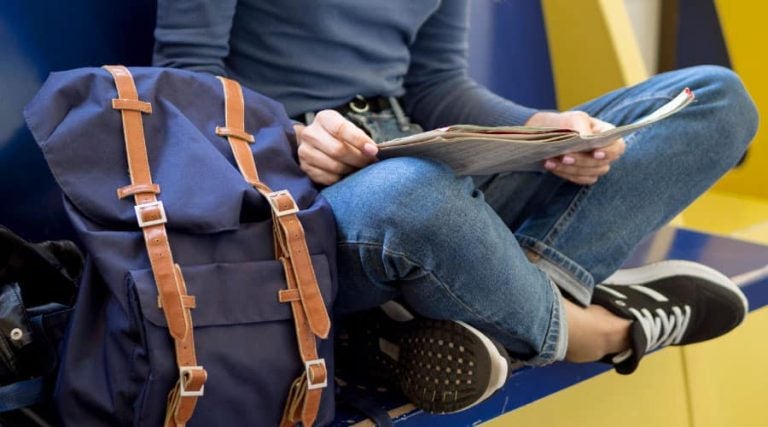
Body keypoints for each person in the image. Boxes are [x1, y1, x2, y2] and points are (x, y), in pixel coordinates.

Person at [153, 0, 758, 415]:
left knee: (713, 97)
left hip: (418, 155)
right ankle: (591, 332)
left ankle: (475, 299)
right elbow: (182, 80)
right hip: (304, 198)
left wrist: (547, 132)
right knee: (412, 194)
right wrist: (288, 140)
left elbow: (437, 84)